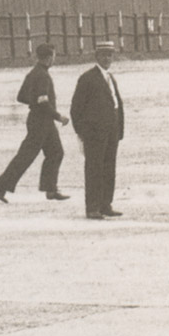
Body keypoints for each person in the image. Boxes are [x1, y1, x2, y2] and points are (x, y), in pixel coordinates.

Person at [0, 43, 70, 204]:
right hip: (42, 121)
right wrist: (58, 116)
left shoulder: (33, 73)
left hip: (39, 120)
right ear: (49, 58)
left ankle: (51, 189)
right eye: (53, 56)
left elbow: (21, 96)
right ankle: (2, 184)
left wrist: (34, 101)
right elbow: (42, 101)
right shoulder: (43, 75)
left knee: (55, 152)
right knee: (27, 155)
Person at [70, 41, 125, 220]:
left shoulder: (110, 77)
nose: (107, 58)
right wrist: (82, 132)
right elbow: (76, 108)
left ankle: (105, 204)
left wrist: (119, 129)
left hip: (112, 130)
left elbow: (116, 104)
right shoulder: (87, 78)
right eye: (104, 55)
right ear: (97, 57)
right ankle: (92, 207)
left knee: (109, 168)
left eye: (110, 55)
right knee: (94, 169)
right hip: (94, 133)